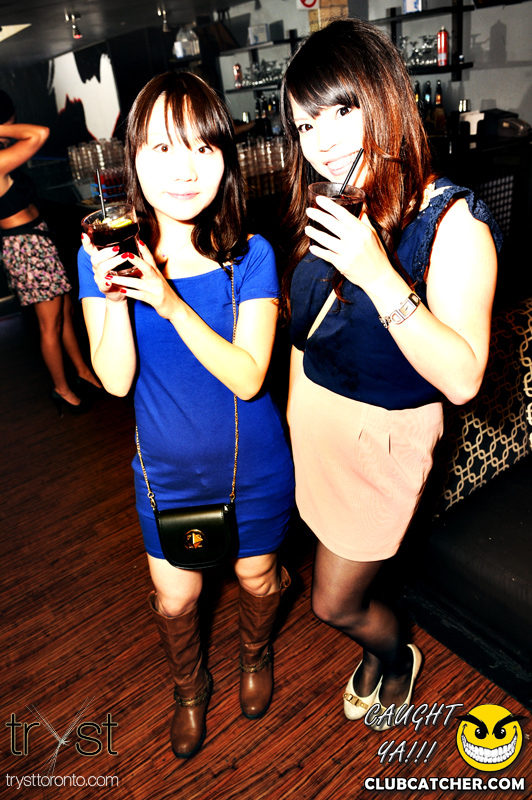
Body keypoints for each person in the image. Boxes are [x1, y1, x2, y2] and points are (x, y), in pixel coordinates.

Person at [279, 19, 501, 731]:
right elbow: (305, 328)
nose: (321, 142)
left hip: (382, 441)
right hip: (316, 429)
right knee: (332, 568)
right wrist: (294, 419)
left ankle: (394, 651)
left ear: (384, 97)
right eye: (305, 125)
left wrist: (377, 274)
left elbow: (464, 379)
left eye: (339, 111)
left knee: (332, 601)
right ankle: (377, 649)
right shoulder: (332, 203)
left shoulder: (453, 221)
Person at [78, 72, 294, 759]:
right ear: (134, 158)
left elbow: (249, 376)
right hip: (165, 474)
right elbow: (116, 381)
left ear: (225, 159)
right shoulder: (100, 255)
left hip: (254, 465)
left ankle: (255, 653)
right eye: (164, 149)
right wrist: (117, 291)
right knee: (176, 600)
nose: (185, 170)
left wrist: (169, 302)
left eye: (203, 148)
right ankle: (189, 687)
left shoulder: (249, 254)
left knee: (257, 578)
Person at [0, 89, 101, 414]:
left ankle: (82, 371)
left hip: (36, 241)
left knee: (64, 313)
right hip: (26, 248)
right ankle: (61, 388)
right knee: (50, 324)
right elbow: (39, 134)